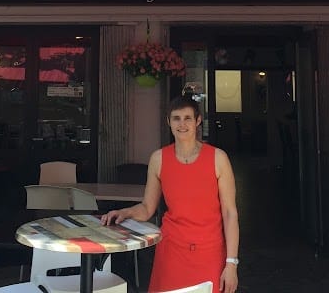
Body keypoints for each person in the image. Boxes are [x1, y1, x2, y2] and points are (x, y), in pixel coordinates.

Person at [100, 96, 239, 293]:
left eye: (187, 118)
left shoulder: (218, 158)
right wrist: (125, 212)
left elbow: (230, 213)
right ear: (169, 122)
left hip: (210, 253)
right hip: (171, 252)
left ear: (198, 121)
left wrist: (231, 263)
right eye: (176, 118)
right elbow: (148, 208)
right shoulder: (158, 159)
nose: (182, 124)